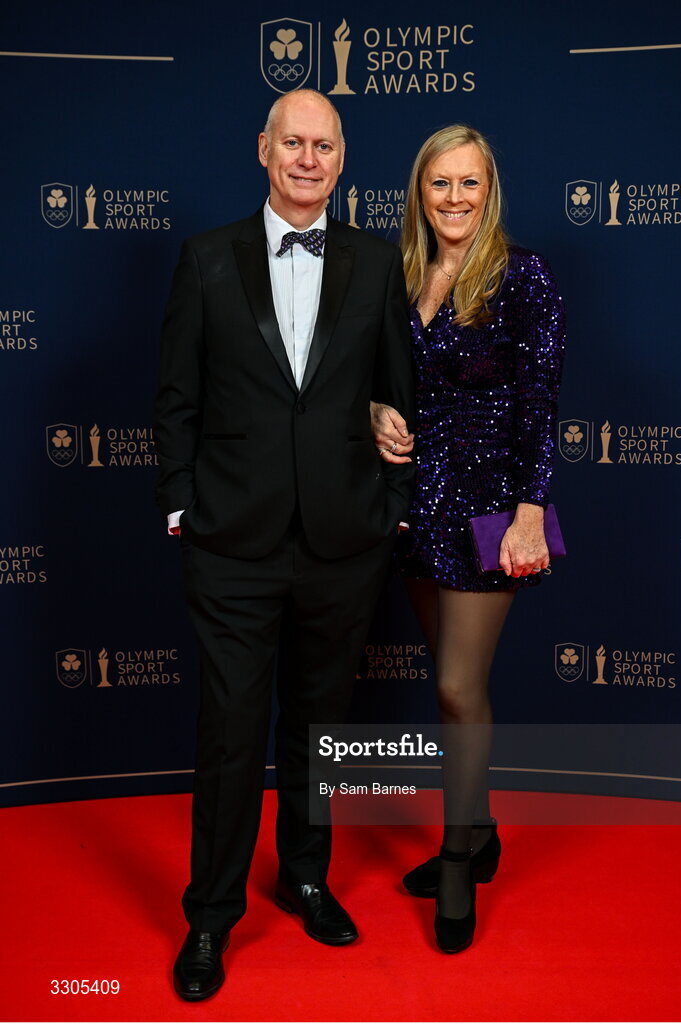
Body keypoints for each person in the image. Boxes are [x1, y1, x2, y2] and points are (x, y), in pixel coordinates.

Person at [153, 89, 415, 1000]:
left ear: (343, 161)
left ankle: (306, 875)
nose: (309, 159)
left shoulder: (379, 264)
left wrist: (392, 504)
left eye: (325, 146)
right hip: (231, 542)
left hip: (344, 541)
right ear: (264, 150)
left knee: (319, 732)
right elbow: (176, 397)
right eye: (293, 142)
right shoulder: (205, 260)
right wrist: (182, 506)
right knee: (229, 736)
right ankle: (211, 917)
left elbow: (398, 395)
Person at [372, 124, 565, 953]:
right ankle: (480, 831)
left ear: (491, 192)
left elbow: (540, 402)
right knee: (450, 685)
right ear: (420, 193)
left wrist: (530, 510)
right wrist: (374, 413)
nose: (454, 199)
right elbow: (377, 380)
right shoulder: (401, 273)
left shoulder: (524, 279)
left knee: (457, 687)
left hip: (490, 506)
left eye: (469, 184)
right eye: (439, 184)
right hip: (417, 501)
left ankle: (457, 857)